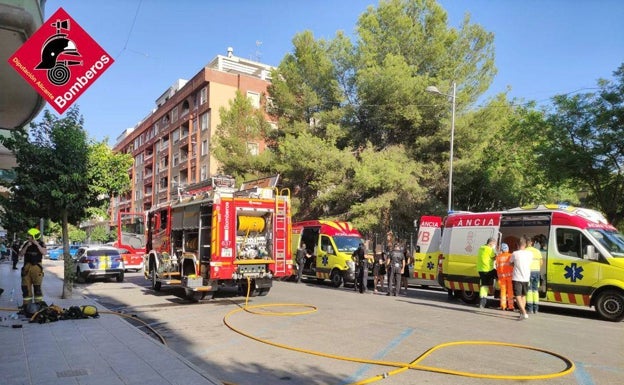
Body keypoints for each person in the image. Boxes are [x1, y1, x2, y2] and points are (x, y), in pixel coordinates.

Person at [18, 228, 47, 306]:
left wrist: (37, 244)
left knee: (37, 288)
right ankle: (26, 306)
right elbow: (21, 254)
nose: (28, 237)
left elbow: (44, 253)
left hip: (37, 268)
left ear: (34, 236)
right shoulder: (26, 243)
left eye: (30, 236)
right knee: (25, 288)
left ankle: (38, 305)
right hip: (26, 268)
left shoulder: (41, 244)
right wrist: (27, 246)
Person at [510, 236, 533, 320]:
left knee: (517, 295)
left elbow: (511, 263)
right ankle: (522, 312)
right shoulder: (530, 254)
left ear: (517, 245)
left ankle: (523, 312)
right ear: (525, 245)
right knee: (523, 295)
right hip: (526, 277)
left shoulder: (515, 253)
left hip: (517, 277)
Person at [477, 237, 498, 308]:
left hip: (480, 270)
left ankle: (482, 303)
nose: (494, 245)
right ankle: (499, 291)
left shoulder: (481, 248)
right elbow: (494, 257)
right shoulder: (490, 249)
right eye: (494, 244)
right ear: (491, 243)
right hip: (488, 269)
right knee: (500, 276)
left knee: (484, 285)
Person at [526, 237, 544, 314]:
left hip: (528, 272)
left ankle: (529, 309)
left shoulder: (525, 251)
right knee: (535, 290)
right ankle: (536, 309)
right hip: (536, 272)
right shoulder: (537, 251)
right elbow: (541, 262)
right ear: (532, 243)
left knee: (529, 290)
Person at [495, 243, 514, 311]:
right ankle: (511, 306)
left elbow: (496, 267)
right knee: (510, 292)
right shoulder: (511, 256)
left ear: (501, 250)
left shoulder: (498, 257)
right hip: (510, 276)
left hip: (501, 277)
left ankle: (503, 306)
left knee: (503, 292)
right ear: (507, 249)